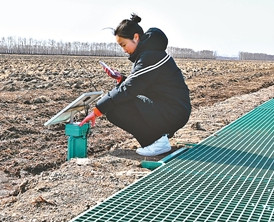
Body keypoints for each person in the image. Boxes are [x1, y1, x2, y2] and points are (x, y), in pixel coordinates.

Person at [80, 14, 191, 156]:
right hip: (169, 107)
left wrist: (97, 110)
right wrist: (122, 79)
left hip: (174, 111)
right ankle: (157, 139)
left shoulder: (150, 56)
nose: (124, 50)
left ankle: (157, 142)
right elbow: (141, 85)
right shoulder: (150, 53)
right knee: (118, 103)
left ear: (136, 37)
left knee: (115, 109)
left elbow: (130, 89)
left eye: (124, 45)